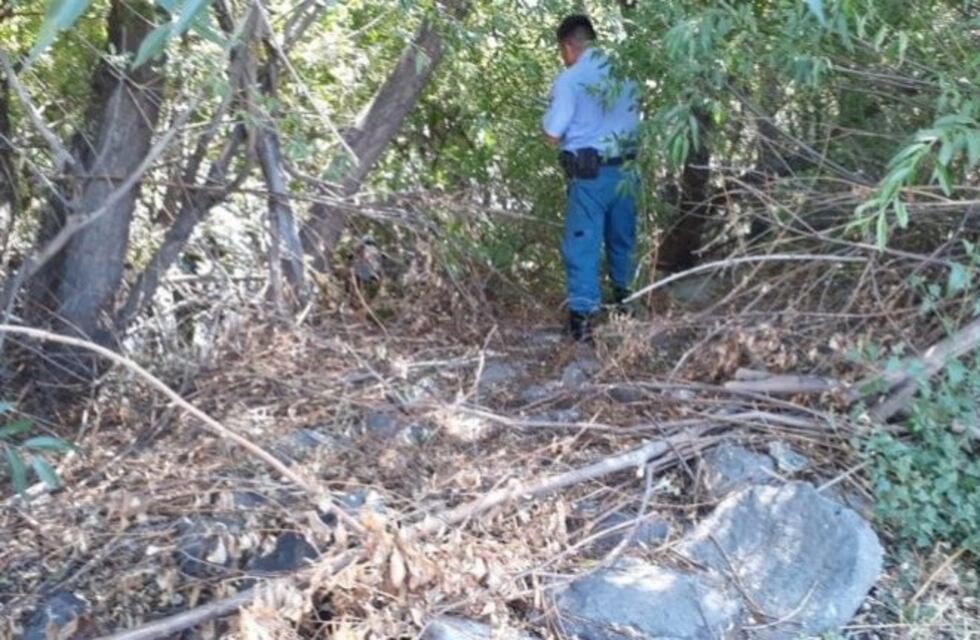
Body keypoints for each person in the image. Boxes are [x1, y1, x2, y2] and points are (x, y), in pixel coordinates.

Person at [542, 14, 640, 342]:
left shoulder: (570, 80)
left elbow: (552, 134)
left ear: (569, 46)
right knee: (622, 240)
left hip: (589, 177)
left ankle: (582, 322)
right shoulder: (626, 71)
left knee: (583, 246)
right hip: (627, 173)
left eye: (561, 51)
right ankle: (626, 307)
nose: (562, 58)